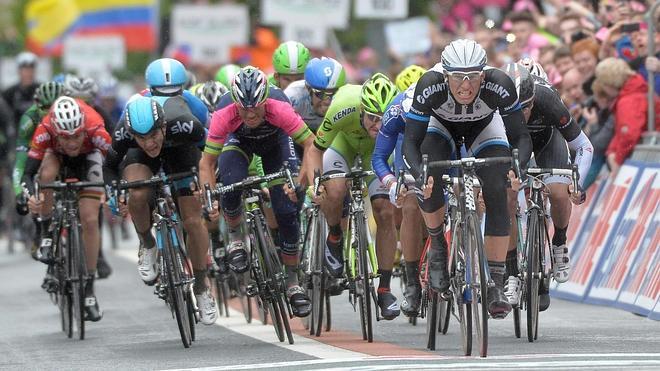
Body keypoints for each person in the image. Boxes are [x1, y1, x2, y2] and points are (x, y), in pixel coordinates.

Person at [402, 39, 532, 319]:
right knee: (430, 175)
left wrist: (517, 168)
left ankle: (495, 283)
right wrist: (419, 173)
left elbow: (521, 136)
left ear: (483, 75)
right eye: (458, 78)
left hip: (484, 128)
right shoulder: (430, 84)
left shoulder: (499, 84)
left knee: (498, 185)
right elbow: (410, 144)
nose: (466, 86)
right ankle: (438, 246)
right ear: (445, 75)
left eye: (473, 77)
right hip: (441, 127)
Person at [198, 66, 317, 318]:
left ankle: (292, 281)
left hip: (276, 144)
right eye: (244, 108)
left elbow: (310, 145)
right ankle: (235, 237)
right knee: (230, 182)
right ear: (235, 104)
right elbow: (207, 163)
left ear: (265, 101)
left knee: (286, 210)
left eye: (256, 107)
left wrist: (301, 181)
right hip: (238, 142)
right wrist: (210, 199)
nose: (250, 113)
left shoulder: (279, 107)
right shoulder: (224, 113)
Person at [103, 96, 218, 325]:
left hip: (182, 153)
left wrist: (208, 190)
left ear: (163, 125)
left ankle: (202, 285)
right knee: (136, 191)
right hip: (141, 161)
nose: (149, 143)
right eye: (141, 137)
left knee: (193, 221)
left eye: (153, 134)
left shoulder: (185, 124)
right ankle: (148, 244)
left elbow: (213, 156)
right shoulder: (124, 133)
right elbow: (109, 167)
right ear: (131, 133)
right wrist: (114, 195)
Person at [306, 73, 401, 320]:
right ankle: (335, 235)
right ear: (361, 110)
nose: (377, 126)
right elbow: (315, 149)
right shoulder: (342, 106)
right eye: (371, 118)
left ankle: (385, 288)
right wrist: (316, 184)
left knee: (385, 210)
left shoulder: (399, 112)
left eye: (383, 119)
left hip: (378, 153)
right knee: (335, 189)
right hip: (342, 145)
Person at [502, 62, 593, 310]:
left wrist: (577, 183)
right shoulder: (495, 104)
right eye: (515, 110)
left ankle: (559, 242)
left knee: (558, 192)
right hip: (512, 144)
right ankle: (511, 271)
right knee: (507, 198)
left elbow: (584, 146)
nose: (523, 115)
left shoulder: (548, 100)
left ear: (534, 99)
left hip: (546, 140)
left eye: (527, 107)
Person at [24, 96, 111, 322]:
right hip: (56, 156)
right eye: (66, 137)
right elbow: (28, 171)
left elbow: (113, 162)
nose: (72, 142)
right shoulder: (45, 129)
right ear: (56, 132)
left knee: (90, 220)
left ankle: (89, 289)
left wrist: (113, 190)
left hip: (89, 157)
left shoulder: (94, 126)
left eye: (76, 136)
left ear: (84, 129)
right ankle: (46, 233)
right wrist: (32, 197)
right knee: (46, 175)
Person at [372, 64, 427, 317]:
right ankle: (412, 279)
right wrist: (393, 183)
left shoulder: (445, 106)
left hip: (440, 141)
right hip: (408, 148)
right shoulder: (395, 110)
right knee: (411, 205)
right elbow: (381, 157)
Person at [13, 82, 64, 258]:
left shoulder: (71, 112)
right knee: (37, 183)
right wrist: (20, 191)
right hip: (38, 153)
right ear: (36, 104)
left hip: (63, 152)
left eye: (55, 106)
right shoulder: (29, 119)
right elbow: (21, 162)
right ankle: (40, 228)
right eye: (45, 107)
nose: (50, 112)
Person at [593, 58, 660, 176]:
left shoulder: (628, 100)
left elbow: (628, 134)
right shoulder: (638, 89)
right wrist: (611, 150)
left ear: (609, 83)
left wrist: (617, 160)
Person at [2, 52, 40, 120]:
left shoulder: (41, 90)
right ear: (19, 71)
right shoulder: (9, 93)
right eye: (25, 69)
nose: (28, 73)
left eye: (31, 69)